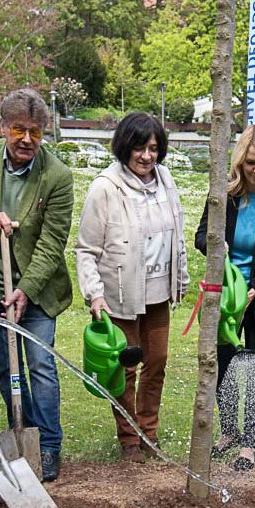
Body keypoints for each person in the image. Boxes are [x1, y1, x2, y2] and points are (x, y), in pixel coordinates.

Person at [0, 89, 73, 481]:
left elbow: (52, 243)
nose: (27, 140)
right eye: (19, 130)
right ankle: (19, 433)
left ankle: (49, 446)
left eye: (36, 133)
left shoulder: (56, 176)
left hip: (38, 290)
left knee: (41, 365)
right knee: (6, 367)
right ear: (3, 127)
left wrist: (25, 290)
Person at [76, 112, 189, 463]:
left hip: (158, 292)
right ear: (125, 147)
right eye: (139, 148)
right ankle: (129, 438)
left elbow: (178, 235)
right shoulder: (105, 188)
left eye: (153, 148)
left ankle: (148, 432)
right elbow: (86, 249)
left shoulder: (165, 180)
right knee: (125, 366)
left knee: (157, 362)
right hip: (120, 295)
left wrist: (181, 277)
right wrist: (94, 293)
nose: (146, 156)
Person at [193, 123, 255, 471]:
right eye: (251, 162)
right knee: (221, 368)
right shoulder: (224, 195)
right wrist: (217, 248)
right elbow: (201, 236)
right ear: (240, 162)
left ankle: (249, 444)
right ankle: (228, 432)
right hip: (224, 299)